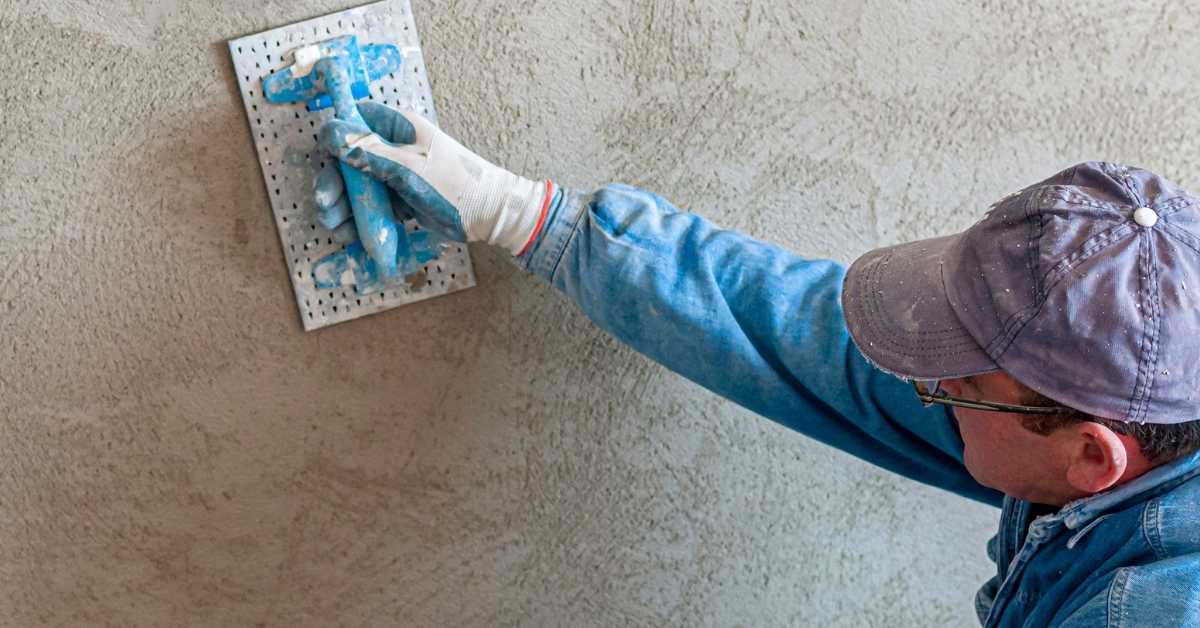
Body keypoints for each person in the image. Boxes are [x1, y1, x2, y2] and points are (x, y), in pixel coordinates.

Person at [312, 102, 1200, 627]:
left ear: (1093, 457)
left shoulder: (1145, 608)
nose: (926, 392)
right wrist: (524, 216)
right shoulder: (1121, 406)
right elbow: (809, 339)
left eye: (952, 386)